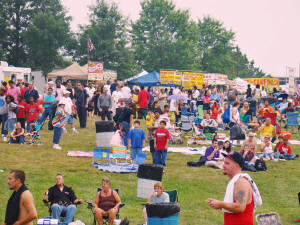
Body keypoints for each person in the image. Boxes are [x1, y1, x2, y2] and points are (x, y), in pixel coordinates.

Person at [207, 151, 262, 225]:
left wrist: (221, 204)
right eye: (224, 163)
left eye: (227, 163)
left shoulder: (241, 182)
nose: (223, 166)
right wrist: (218, 204)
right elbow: (233, 205)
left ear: (236, 166)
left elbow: (239, 207)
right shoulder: (236, 181)